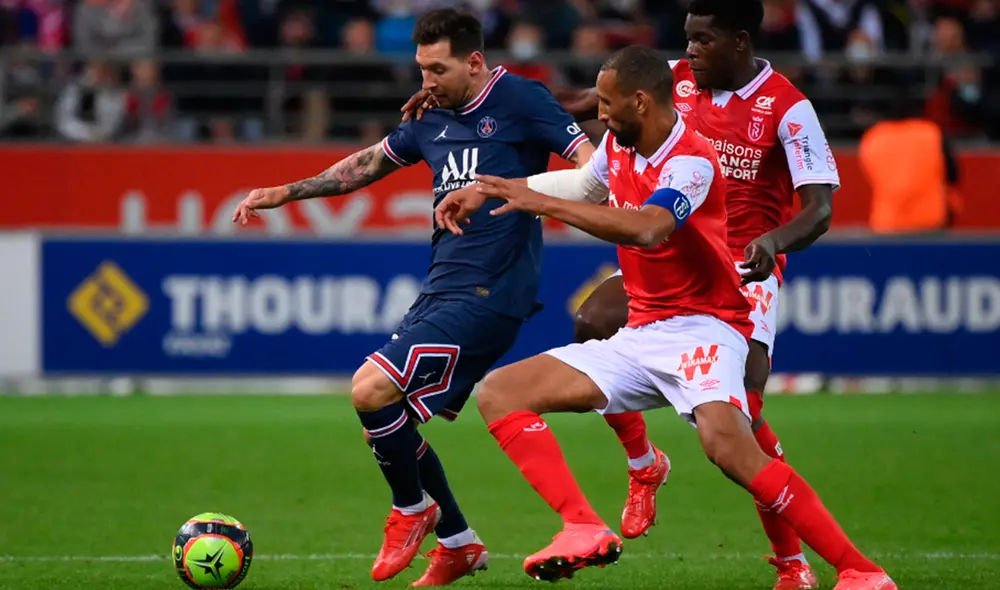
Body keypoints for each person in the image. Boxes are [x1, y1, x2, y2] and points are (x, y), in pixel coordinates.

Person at [434, 45, 896, 590]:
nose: (598, 116)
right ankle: (582, 525)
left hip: (705, 327)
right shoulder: (621, 145)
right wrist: (488, 189)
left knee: (728, 447)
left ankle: (859, 571)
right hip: (642, 333)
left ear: (640, 101)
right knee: (499, 392)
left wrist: (536, 203)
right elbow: (585, 185)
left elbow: (650, 227)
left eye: (606, 105)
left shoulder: (693, 162)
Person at [231, 8, 593, 586]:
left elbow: (592, 171)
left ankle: (412, 509)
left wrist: (508, 189)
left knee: (369, 387)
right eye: (421, 68)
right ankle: (457, 542)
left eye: (438, 69)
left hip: (493, 290)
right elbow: (369, 163)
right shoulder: (430, 117)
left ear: (475, 61)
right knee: (390, 417)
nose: (426, 81)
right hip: (441, 288)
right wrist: (287, 192)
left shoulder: (521, 101)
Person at [549, 3, 844, 587]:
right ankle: (643, 465)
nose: (689, 52)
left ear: (739, 41)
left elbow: (820, 210)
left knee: (745, 418)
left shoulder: (788, 107)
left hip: (741, 270)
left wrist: (774, 240)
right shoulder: (673, 80)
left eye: (702, 41)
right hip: (668, 253)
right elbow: (584, 103)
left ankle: (792, 563)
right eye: (686, 39)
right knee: (591, 323)